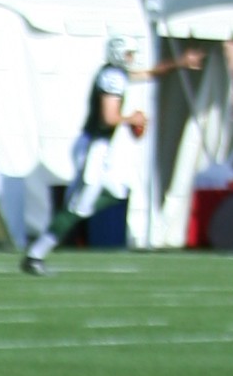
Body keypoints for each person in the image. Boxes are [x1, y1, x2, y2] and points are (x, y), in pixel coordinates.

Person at [23, 57, 148, 271]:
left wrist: (178, 64)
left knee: (117, 191)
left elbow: (148, 74)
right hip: (93, 149)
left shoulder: (117, 74)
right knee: (78, 206)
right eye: (128, 53)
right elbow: (109, 118)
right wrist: (132, 119)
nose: (131, 58)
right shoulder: (112, 76)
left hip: (100, 150)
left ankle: (76, 208)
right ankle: (36, 255)